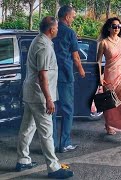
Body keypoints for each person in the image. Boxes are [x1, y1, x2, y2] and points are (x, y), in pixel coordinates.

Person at [16, 16, 74, 179]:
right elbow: (43, 75)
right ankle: (53, 168)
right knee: (47, 132)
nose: (57, 29)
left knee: (27, 128)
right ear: (52, 29)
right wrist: (49, 99)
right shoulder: (44, 46)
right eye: (56, 27)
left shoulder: (39, 40)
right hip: (39, 95)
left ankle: (23, 160)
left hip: (32, 94)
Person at [52, 5, 85, 153]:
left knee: (52, 110)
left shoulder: (51, 30)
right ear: (66, 17)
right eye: (73, 17)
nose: (73, 19)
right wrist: (81, 70)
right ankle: (64, 143)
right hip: (65, 74)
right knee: (67, 110)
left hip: (51, 75)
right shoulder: (70, 32)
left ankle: (51, 144)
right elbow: (76, 56)